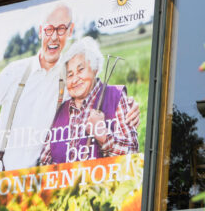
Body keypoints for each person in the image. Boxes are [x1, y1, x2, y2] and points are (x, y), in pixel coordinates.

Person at [0, 4, 139, 174]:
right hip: (2, 180)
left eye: (60, 29)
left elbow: (96, 91)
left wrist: (126, 103)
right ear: (40, 31)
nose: (53, 37)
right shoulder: (14, 72)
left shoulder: (69, 77)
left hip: (42, 188)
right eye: (48, 29)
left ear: (70, 31)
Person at [39, 36, 139, 165]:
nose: (75, 79)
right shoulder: (61, 109)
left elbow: (132, 153)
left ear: (95, 69)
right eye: (69, 75)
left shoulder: (116, 97)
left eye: (80, 70)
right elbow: (44, 162)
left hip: (102, 184)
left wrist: (103, 135)